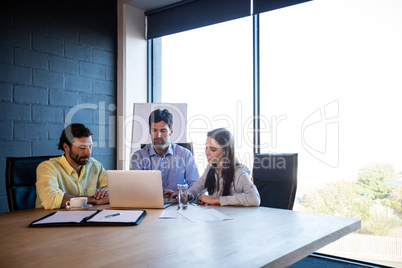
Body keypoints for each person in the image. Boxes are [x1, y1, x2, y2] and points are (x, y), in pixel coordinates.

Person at [36, 123, 109, 209]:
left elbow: (113, 193)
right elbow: (52, 200)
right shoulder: (47, 168)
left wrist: (107, 193)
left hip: (86, 217)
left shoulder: (95, 166)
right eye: (82, 147)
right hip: (50, 219)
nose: (88, 152)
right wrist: (93, 200)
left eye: (90, 147)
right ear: (66, 147)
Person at [130, 109, 199, 196]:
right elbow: (134, 188)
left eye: (163, 131)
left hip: (176, 205)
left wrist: (182, 194)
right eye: (154, 130)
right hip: (148, 205)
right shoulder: (138, 157)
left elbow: (196, 187)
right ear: (149, 131)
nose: (158, 135)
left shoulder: (185, 155)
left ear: (171, 132)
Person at [188, 128, 260, 206]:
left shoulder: (239, 172)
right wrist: (184, 195)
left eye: (213, 149)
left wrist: (216, 200)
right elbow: (194, 191)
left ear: (225, 151)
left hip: (236, 217)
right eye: (206, 147)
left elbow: (255, 198)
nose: (206, 153)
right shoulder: (211, 168)